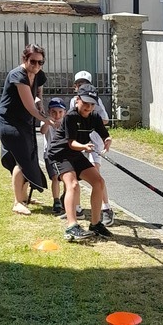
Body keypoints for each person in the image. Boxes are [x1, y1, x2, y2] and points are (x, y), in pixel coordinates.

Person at [0, 45, 47, 214]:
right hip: (8, 122)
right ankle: (17, 202)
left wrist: (40, 102)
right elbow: (30, 107)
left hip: (24, 122)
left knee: (28, 157)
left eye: (40, 62)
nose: (37, 66)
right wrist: (47, 120)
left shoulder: (38, 74)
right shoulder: (17, 75)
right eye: (33, 61)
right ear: (24, 59)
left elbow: (37, 92)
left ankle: (23, 197)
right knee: (21, 159)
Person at [55, 88, 113, 242]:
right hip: (61, 153)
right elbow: (71, 143)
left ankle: (95, 224)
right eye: (86, 103)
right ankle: (71, 227)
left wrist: (107, 140)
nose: (89, 107)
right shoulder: (70, 117)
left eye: (92, 104)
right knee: (73, 185)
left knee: (99, 182)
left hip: (77, 153)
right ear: (78, 100)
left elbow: (104, 134)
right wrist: (85, 147)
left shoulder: (94, 117)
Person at [69, 73, 114, 226]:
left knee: (95, 172)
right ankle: (77, 208)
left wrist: (96, 126)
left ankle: (106, 208)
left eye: (84, 83)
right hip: (78, 139)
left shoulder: (96, 100)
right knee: (73, 173)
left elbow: (105, 119)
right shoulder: (74, 101)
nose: (81, 86)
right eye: (78, 84)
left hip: (95, 138)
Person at [41, 98, 68, 217]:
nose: (57, 115)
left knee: (67, 177)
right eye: (54, 112)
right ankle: (56, 200)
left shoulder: (66, 122)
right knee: (55, 177)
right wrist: (48, 122)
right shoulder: (46, 121)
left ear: (64, 112)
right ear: (49, 112)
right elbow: (43, 131)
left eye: (60, 112)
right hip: (50, 154)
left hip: (64, 154)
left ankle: (65, 196)